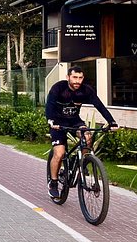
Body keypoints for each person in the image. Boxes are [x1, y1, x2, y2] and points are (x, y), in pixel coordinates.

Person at [45, 65, 118, 199]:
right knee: (59, 153)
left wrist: (111, 121)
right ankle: (53, 183)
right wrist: (50, 120)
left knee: (87, 137)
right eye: (74, 77)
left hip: (74, 121)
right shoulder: (59, 88)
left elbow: (100, 106)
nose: (77, 81)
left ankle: (81, 161)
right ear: (68, 77)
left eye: (80, 78)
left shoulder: (86, 90)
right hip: (57, 123)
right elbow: (49, 105)